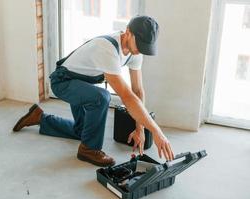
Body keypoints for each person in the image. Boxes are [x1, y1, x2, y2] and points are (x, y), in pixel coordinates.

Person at [13, 15, 174, 167]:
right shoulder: (107, 48)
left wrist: (140, 129)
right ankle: (89, 150)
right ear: (128, 32)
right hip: (63, 82)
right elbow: (127, 96)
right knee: (101, 97)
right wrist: (157, 131)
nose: (141, 50)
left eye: (146, 46)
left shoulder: (135, 53)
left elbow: (138, 91)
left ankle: (40, 117)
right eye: (139, 43)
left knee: (83, 132)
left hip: (81, 83)